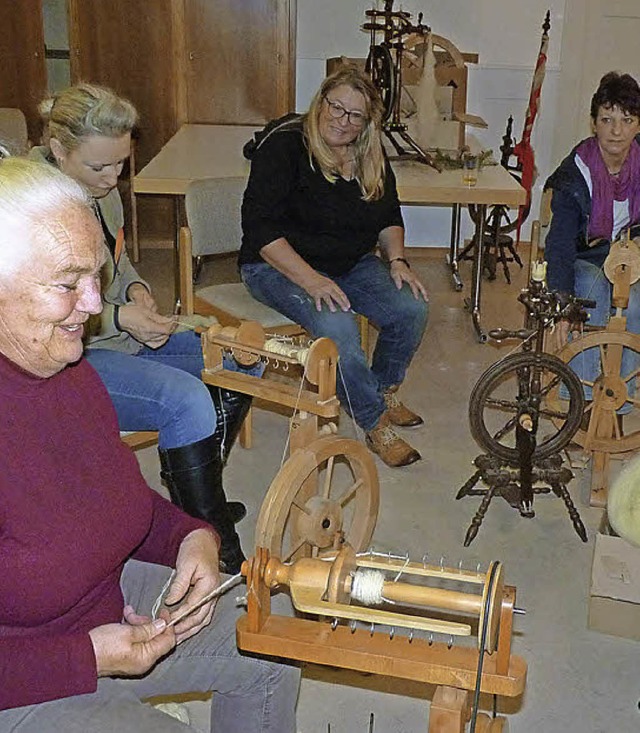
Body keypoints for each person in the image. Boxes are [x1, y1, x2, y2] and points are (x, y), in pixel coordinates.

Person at [0, 157, 299, 731]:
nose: (92, 306)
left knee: (271, 638)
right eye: (68, 284)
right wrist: (88, 657)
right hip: (23, 681)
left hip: (100, 604)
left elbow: (121, 503)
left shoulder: (68, 372)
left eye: (97, 278)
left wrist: (193, 538)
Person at [31, 83, 252, 572]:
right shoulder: (33, 210)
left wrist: (133, 292)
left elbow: (119, 259)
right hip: (66, 354)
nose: (112, 177)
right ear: (58, 149)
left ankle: (198, 499)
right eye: (99, 167)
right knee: (185, 399)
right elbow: (36, 308)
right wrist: (117, 317)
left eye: (120, 164)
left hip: (112, 333)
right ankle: (209, 529)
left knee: (239, 360)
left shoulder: (99, 193)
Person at [240, 66, 429, 468]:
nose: (341, 121)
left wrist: (397, 260)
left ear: (367, 123)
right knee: (338, 327)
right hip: (276, 265)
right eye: (336, 107)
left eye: (354, 115)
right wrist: (312, 281)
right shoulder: (285, 147)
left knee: (411, 307)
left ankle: (381, 390)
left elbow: (388, 213)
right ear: (320, 101)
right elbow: (260, 231)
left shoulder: (369, 155)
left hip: (348, 262)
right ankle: (375, 421)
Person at [544, 71, 640, 406]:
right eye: (607, 119)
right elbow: (558, 244)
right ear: (593, 123)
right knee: (591, 299)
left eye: (627, 120)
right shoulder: (575, 173)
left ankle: (620, 398)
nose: (617, 130)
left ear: (638, 125)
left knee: (637, 303)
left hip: (632, 258)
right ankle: (582, 400)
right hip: (585, 258)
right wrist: (562, 302)